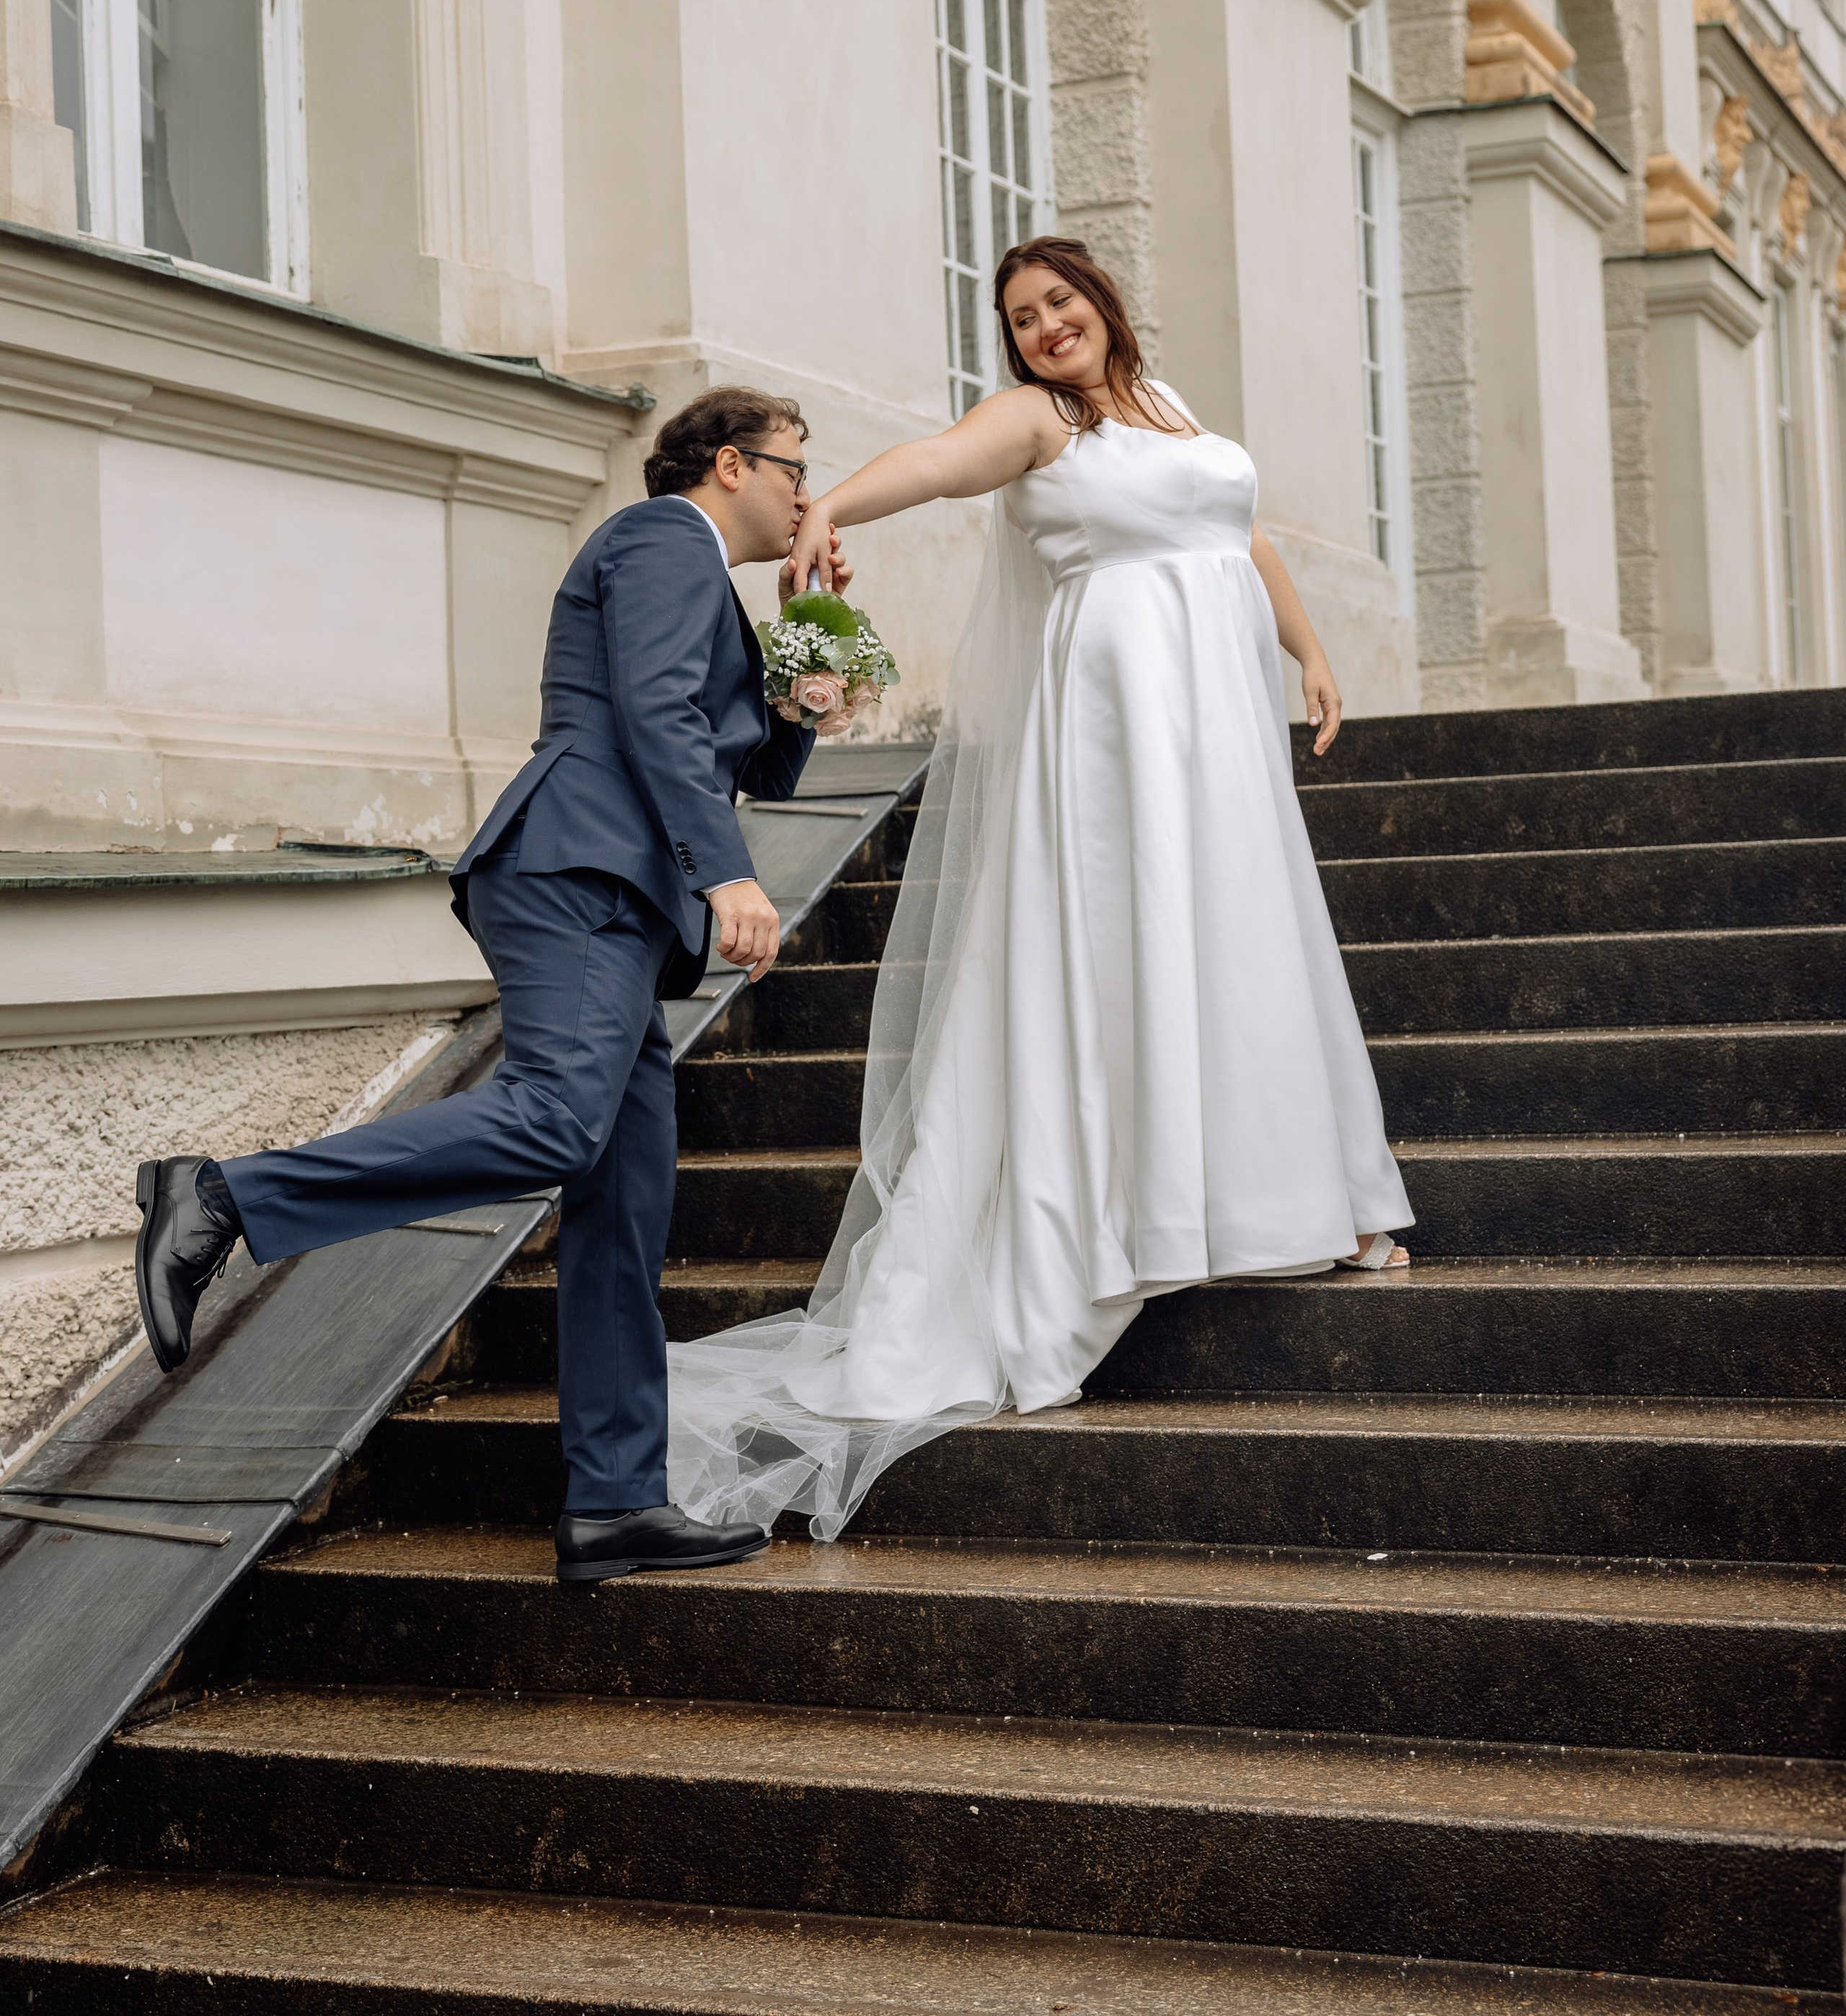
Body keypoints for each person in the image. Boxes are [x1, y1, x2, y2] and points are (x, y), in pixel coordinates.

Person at [667, 239, 1412, 1544]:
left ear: (1104, 304)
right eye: (1022, 317)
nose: (1047, 326)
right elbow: (940, 462)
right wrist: (832, 506)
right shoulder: (1037, 419)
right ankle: (1138, 1214)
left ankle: (1287, 1195)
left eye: (1061, 303)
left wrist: (1309, 648)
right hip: (1117, 734)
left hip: (1218, 738)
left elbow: (1241, 532)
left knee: (1239, 946)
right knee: (1128, 955)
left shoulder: (1168, 408)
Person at [131, 387, 845, 1587]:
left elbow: (755, 758)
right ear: (730, 464)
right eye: (795, 473)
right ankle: (223, 1198)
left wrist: (813, 638)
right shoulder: (665, 536)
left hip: (620, 893)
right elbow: (656, 714)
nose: (805, 496)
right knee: (558, 1120)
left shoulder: (710, 579)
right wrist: (726, 875)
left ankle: (616, 1502)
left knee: (624, 1201)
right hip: (581, 870)